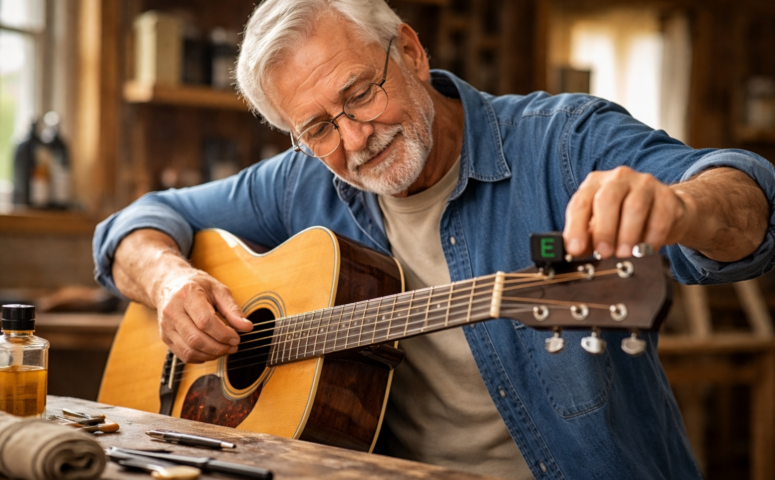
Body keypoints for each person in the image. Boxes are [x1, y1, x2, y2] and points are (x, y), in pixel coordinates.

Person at [93, 1, 775, 479]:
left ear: (411, 52)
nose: (354, 138)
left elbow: (748, 201)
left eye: (358, 94)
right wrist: (170, 281)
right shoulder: (300, 183)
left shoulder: (559, 141)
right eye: (318, 129)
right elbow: (137, 222)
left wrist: (679, 206)